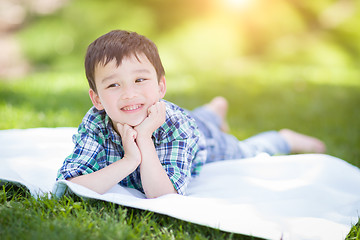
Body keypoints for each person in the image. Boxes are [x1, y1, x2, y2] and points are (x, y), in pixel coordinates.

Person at [56, 30, 326, 198]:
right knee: (203, 118)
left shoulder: (177, 126)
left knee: (246, 151)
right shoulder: (96, 123)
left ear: (161, 86)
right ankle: (214, 110)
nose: (128, 94)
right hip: (190, 121)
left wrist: (145, 140)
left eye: (140, 80)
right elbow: (69, 186)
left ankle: (284, 138)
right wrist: (129, 160)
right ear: (97, 99)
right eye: (114, 84)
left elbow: (164, 196)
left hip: (203, 140)